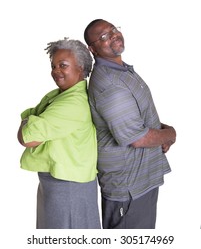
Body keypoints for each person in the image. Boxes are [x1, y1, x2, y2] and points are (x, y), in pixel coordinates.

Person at [84, 19, 176, 229]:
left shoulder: (120, 71)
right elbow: (137, 138)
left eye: (113, 29)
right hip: (129, 187)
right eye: (104, 36)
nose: (113, 35)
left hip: (141, 180)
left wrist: (161, 131)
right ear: (92, 49)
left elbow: (134, 118)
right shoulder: (110, 84)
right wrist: (170, 134)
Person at [17, 38, 101, 229]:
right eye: (53, 65)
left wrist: (28, 120)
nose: (55, 71)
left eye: (63, 65)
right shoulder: (60, 96)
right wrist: (30, 120)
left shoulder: (73, 103)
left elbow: (27, 138)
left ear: (81, 68)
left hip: (69, 187)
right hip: (57, 182)